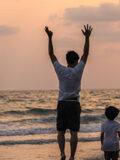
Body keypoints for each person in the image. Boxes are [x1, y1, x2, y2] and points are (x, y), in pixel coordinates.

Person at [45, 24, 93, 160]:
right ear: (76, 61)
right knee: (73, 133)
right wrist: (87, 38)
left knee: (60, 132)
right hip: (74, 104)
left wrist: (49, 37)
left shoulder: (60, 69)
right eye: (77, 61)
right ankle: (72, 156)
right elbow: (86, 53)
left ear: (67, 61)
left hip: (62, 103)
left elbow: (51, 54)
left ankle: (62, 154)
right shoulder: (78, 70)